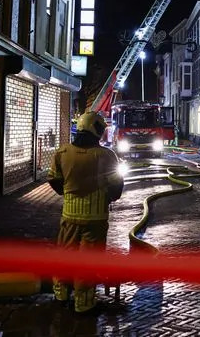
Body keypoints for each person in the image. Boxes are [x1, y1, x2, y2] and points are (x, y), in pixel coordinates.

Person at [48, 111, 124, 314]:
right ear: (95, 130)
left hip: (69, 216)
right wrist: (108, 196)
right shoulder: (107, 155)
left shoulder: (62, 152)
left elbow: (53, 179)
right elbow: (117, 187)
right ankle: (84, 303)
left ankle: (61, 295)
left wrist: (68, 194)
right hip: (95, 218)